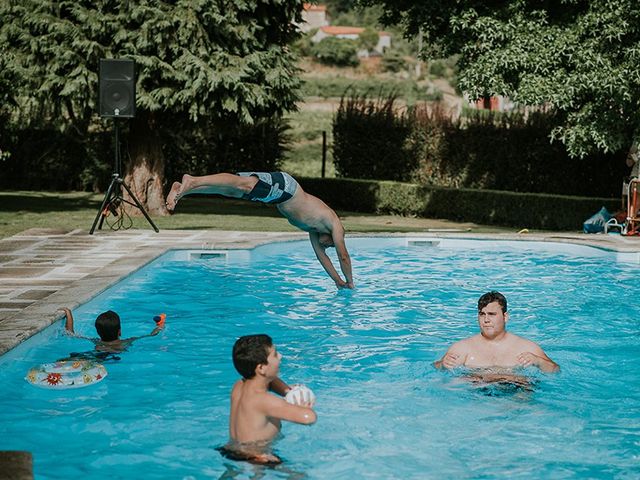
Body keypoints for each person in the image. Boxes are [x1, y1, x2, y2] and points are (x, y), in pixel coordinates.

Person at [165, 172, 354, 289]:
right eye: (331, 245)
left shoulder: (314, 229)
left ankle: (183, 190)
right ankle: (193, 180)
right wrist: (350, 281)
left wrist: (338, 281)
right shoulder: (334, 224)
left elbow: (323, 258)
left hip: (277, 197)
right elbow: (343, 255)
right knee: (243, 184)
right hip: (286, 189)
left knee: (231, 191)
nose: (328, 247)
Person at [219, 334, 316, 465]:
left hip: (230, 450)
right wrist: (303, 405)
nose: (280, 356)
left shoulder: (239, 386)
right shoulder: (265, 401)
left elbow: (269, 381)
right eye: (275, 354)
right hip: (259, 458)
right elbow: (308, 418)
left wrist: (287, 391)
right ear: (261, 368)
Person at [434, 291, 559, 373]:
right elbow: (436, 367)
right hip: (475, 392)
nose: (486, 320)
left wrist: (538, 361)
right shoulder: (463, 348)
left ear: (505, 317)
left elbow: (555, 370)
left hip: (515, 391)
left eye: (492, 314)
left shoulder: (525, 347)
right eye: (482, 314)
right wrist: (443, 365)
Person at [59, 307, 165, 355]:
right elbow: (152, 335)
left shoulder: (96, 341)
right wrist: (159, 326)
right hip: (117, 355)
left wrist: (68, 314)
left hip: (97, 354)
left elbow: (70, 334)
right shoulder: (127, 341)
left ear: (98, 332)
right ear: (119, 331)